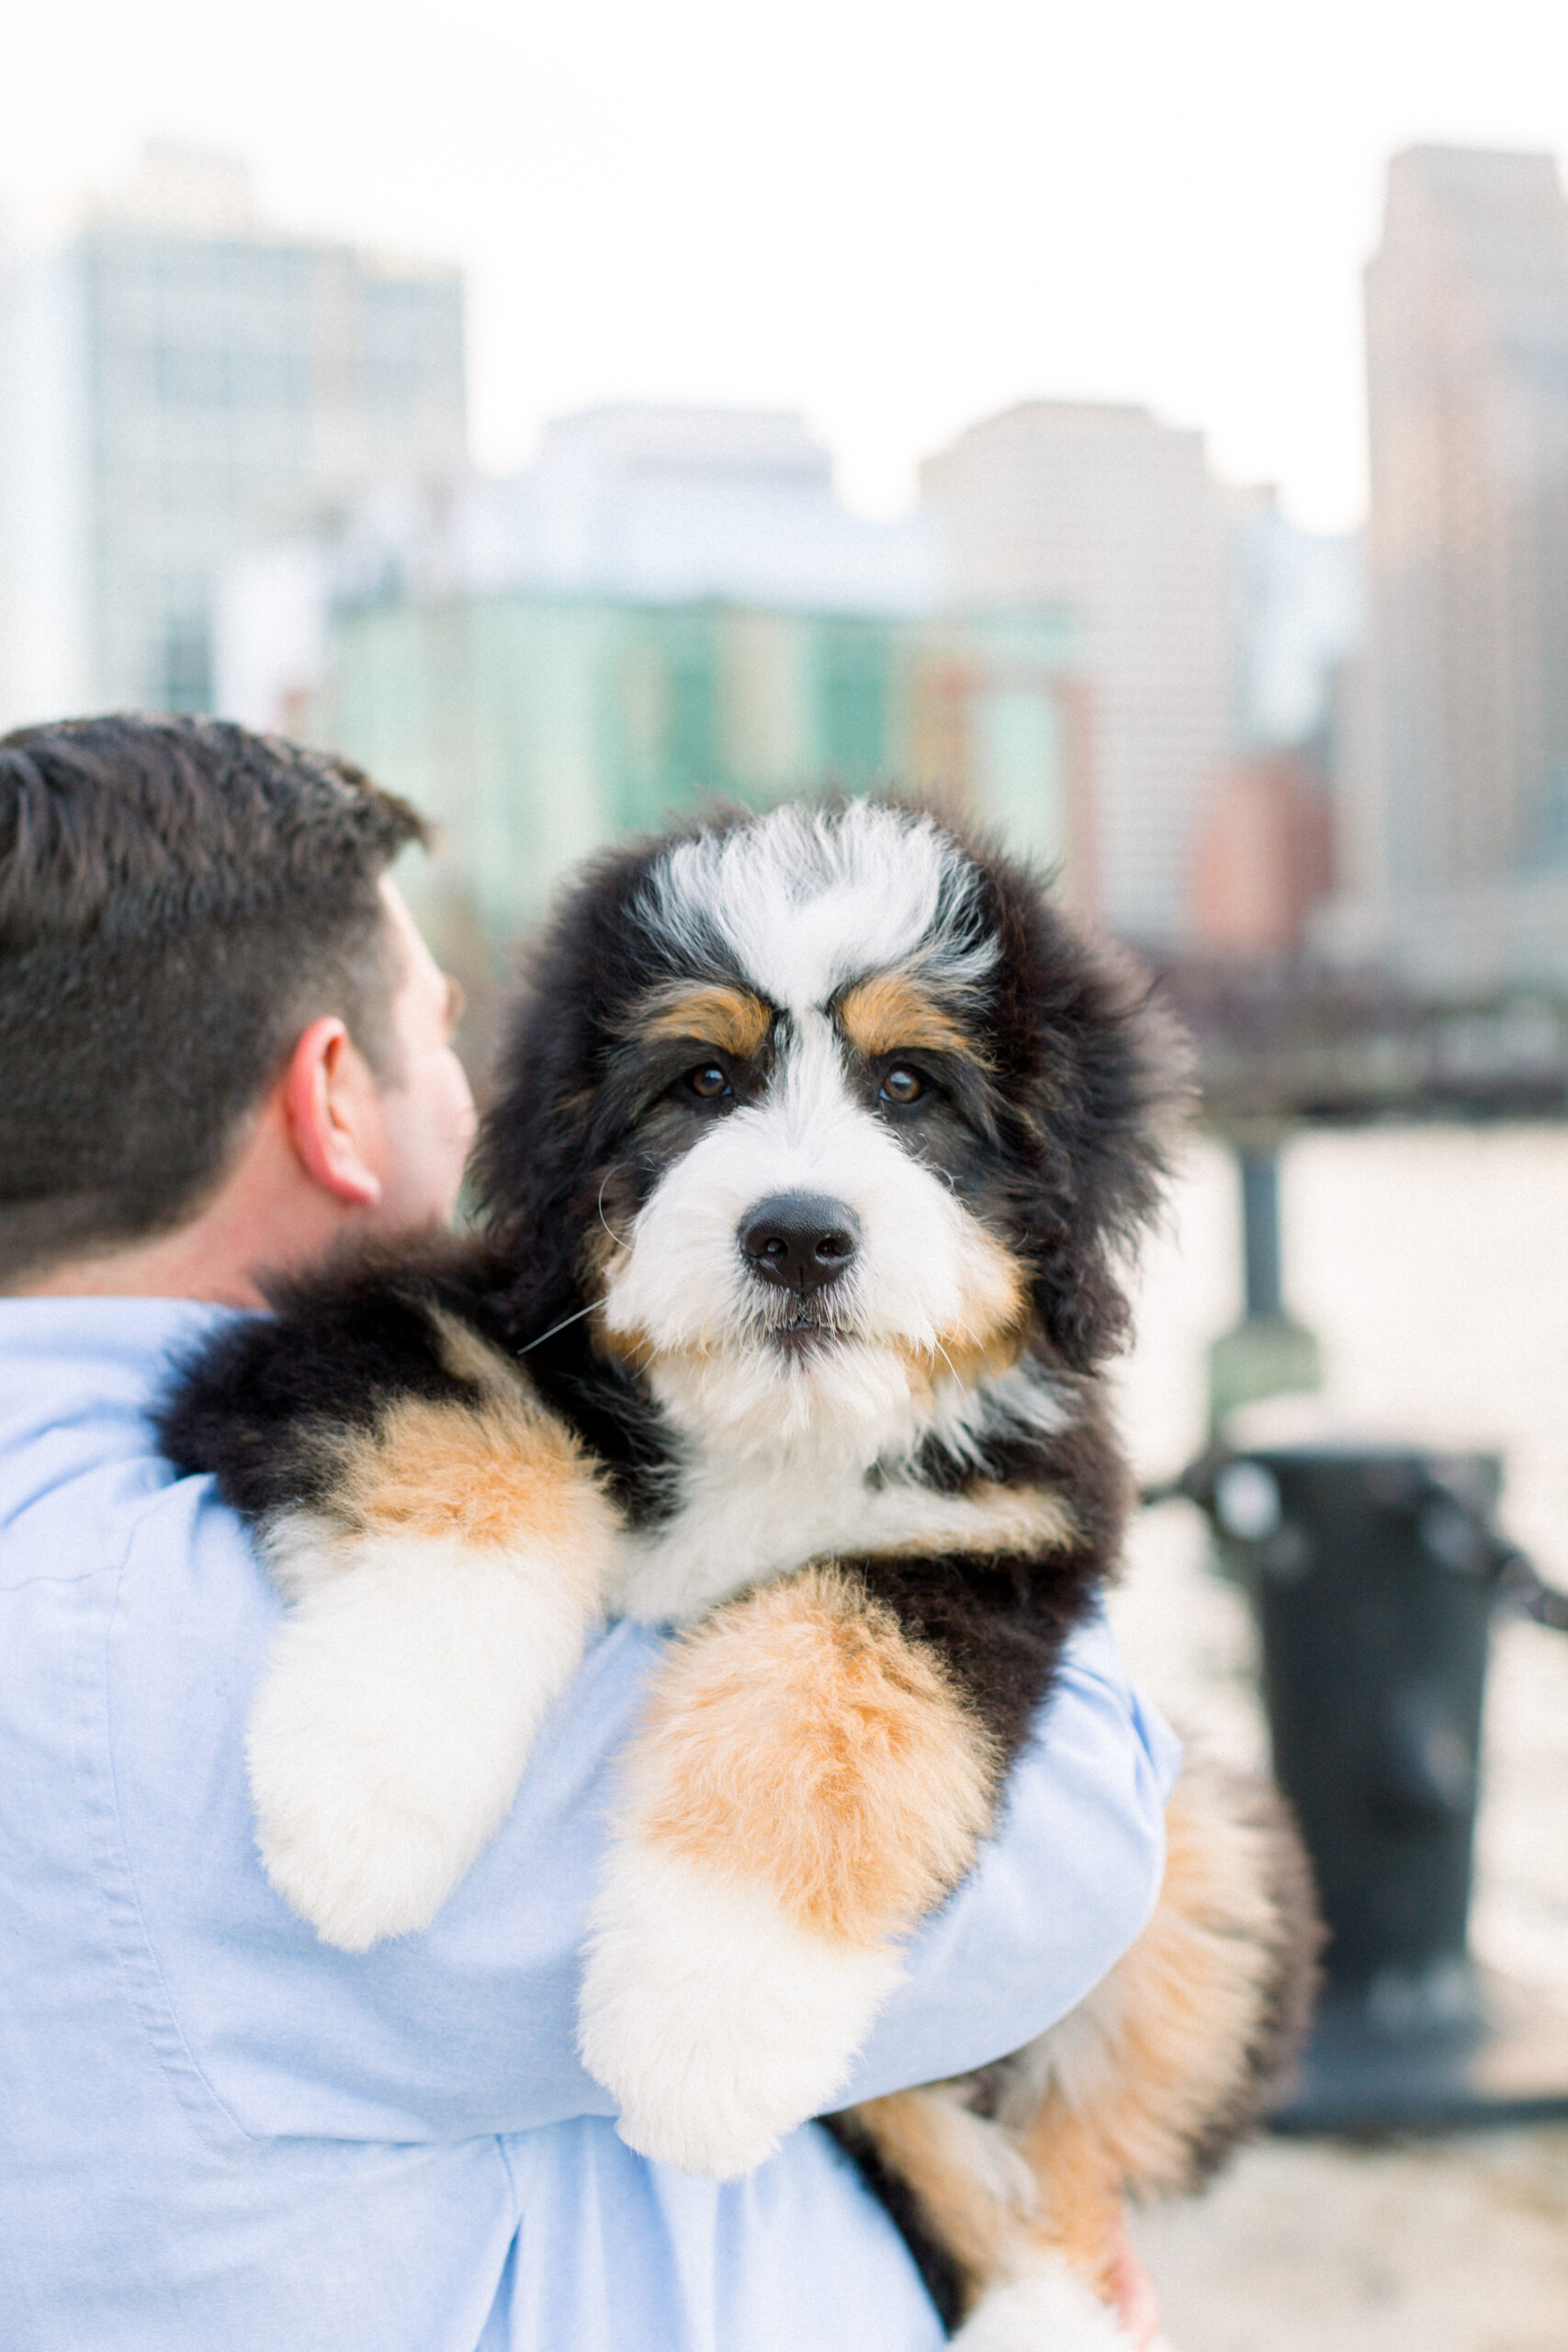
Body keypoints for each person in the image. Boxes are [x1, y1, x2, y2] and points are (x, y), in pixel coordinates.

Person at [0, 714, 1176, 2351]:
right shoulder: (180, 1641)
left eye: (914, 1085)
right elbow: (1078, 1840)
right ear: (335, 1102)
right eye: (695, 1082)